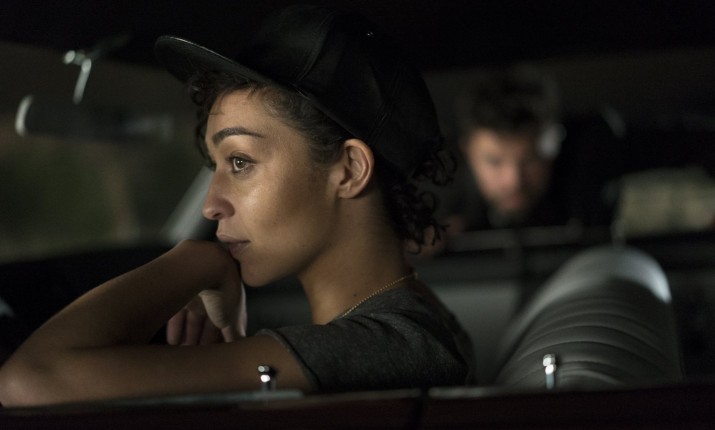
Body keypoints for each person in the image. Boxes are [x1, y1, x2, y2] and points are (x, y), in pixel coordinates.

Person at [0, 5, 474, 406]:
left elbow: (29, 380)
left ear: (349, 170)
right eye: (217, 165)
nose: (211, 206)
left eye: (241, 162)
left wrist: (193, 262)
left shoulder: (394, 346)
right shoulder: (417, 320)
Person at [440, 67, 624, 233]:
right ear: (467, 151)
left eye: (529, 159)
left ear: (554, 145)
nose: (513, 181)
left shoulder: (588, 177)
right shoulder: (439, 200)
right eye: (494, 161)